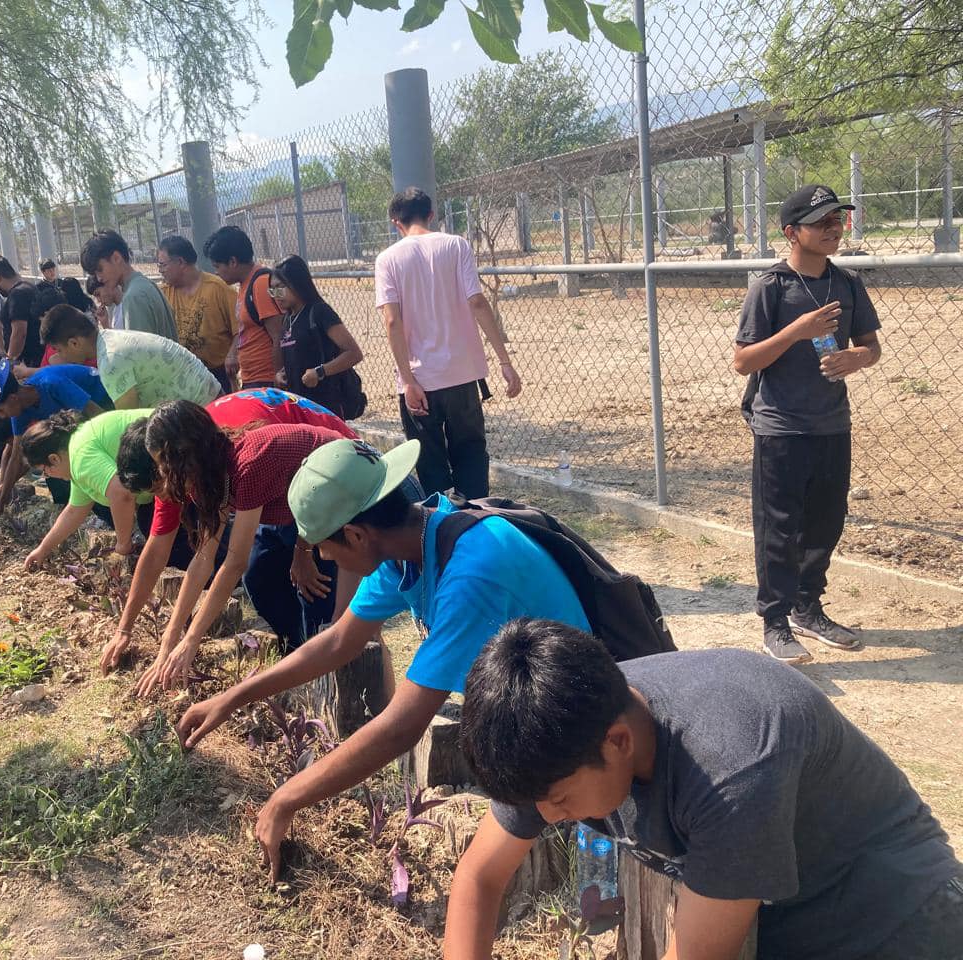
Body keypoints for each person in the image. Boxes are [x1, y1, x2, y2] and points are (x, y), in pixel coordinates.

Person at [177, 438, 588, 878]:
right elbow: (339, 642)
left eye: (323, 545)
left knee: (493, 866)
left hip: (571, 727)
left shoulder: (471, 571)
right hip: (526, 710)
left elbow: (401, 728)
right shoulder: (411, 546)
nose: (322, 556)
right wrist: (234, 697)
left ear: (355, 534)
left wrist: (286, 797)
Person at [445, 619, 963, 960]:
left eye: (559, 800)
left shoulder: (732, 770)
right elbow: (480, 876)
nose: (550, 817)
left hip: (897, 916)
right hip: (779, 918)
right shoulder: (555, 729)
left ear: (618, 742)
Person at [104, 388, 361, 677]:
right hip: (306, 506)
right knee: (260, 576)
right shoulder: (207, 477)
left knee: (336, 619)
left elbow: (234, 562)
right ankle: (300, 659)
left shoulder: (246, 464)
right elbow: (202, 561)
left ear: (184, 454)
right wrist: (169, 639)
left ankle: (325, 673)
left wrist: (190, 641)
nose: (165, 478)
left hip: (350, 495)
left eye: (164, 467)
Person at [733, 185, 882, 665]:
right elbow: (743, 361)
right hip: (781, 427)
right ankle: (774, 622)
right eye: (822, 222)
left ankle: (807, 608)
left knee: (825, 521)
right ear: (791, 232)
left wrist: (853, 359)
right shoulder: (771, 288)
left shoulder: (847, 284)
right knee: (779, 527)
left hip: (832, 424)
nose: (833, 229)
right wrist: (798, 330)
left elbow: (870, 347)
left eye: (838, 220)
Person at [376, 187, 521, 498]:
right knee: (470, 452)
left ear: (395, 222)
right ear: (431, 215)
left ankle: (442, 528)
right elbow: (478, 302)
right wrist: (504, 362)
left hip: (419, 382)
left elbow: (392, 321)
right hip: (462, 374)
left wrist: (408, 379)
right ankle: (478, 519)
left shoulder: (387, 259)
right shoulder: (456, 245)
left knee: (430, 462)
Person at [0, 359, 111, 531]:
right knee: (52, 466)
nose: (1, 417)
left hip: (104, 400)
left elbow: (98, 415)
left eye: (0, 410)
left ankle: (113, 509)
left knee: (84, 465)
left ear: (13, 398)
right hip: (80, 420)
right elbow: (17, 456)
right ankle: (85, 510)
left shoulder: (51, 383)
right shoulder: (20, 412)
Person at [20, 410, 153, 570]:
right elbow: (73, 512)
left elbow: (121, 494)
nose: (47, 476)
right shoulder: (78, 448)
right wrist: (43, 549)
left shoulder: (80, 458)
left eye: (44, 471)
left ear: (54, 459)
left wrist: (123, 545)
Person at [39, 304, 220, 410]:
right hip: (208, 399)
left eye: (58, 350)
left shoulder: (110, 360)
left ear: (74, 343)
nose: (58, 356)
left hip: (206, 410)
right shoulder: (110, 339)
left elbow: (128, 423)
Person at [269, 254, 364, 418]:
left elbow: (354, 353)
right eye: (272, 290)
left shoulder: (319, 312)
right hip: (299, 407)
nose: (276, 295)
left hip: (325, 408)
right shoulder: (288, 318)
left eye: (280, 287)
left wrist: (320, 372)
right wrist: (281, 375)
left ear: (296, 283)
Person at [204, 225, 284, 388]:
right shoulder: (245, 284)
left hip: (266, 380)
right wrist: (233, 353)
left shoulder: (262, 283)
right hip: (252, 378)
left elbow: (279, 335)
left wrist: (278, 378)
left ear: (233, 262)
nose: (216, 272)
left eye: (217, 266)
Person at [156, 235, 239, 392]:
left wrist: (232, 355)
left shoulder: (218, 288)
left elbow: (240, 330)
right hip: (181, 375)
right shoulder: (163, 292)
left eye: (163, 265)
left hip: (217, 375)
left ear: (180, 262)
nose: (160, 271)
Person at [80, 230, 177, 340]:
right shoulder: (146, 284)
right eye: (95, 274)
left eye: (100, 270)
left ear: (116, 258)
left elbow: (139, 354)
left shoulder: (134, 296)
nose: (99, 278)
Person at [0, 255, 44, 368]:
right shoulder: (29, 287)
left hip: (28, 360)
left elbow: (19, 332)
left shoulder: (17, 295)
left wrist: (10, 360)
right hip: (38, 356)